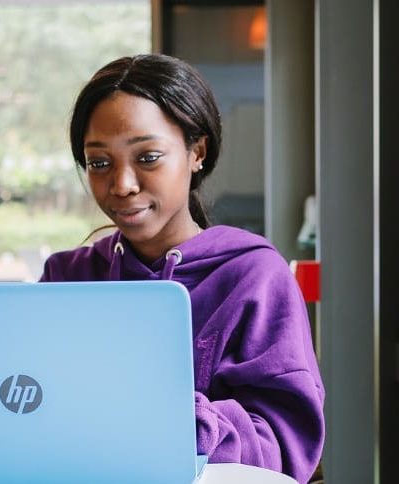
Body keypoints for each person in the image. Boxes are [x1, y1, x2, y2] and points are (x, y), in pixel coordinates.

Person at [39, 54, 324, 483]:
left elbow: (286, 445)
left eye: (148, 157)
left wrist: (168, 417)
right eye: (100, 163)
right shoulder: (67, 276)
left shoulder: (253, 277)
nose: (122, 185)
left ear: (197, 151)